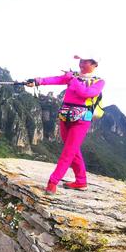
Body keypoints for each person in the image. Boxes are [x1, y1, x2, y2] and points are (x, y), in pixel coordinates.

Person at [28, 55, 105, 195]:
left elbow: (85, 93)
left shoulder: (98, 82)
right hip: (65, 116)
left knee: (68, 152)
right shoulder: (73, 77)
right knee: (72, 149)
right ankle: (81, 181)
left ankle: (53, 181)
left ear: (95, 64)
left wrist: (73, 79)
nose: (81, 63)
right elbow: (56, 79)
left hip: (82, 119)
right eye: (81, 60)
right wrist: (37, 81)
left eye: (86, 61)